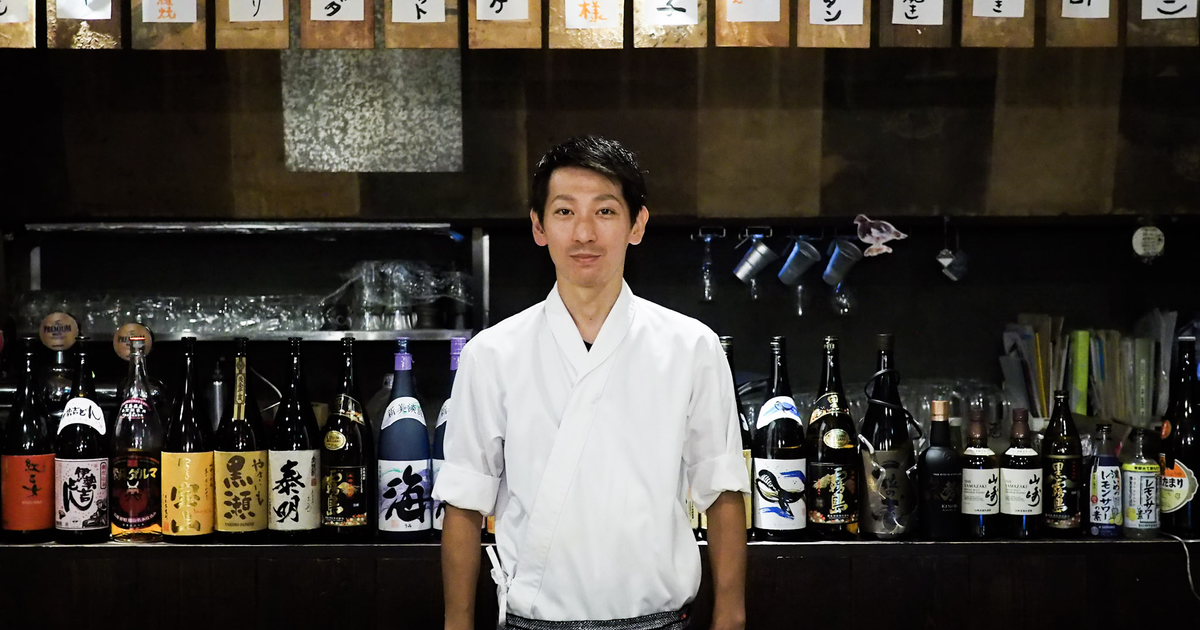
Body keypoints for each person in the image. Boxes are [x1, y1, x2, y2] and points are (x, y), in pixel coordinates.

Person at [434, 135, 750, 630]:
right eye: (564, 212)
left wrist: (731, 618)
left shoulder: (692, 347)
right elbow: (463, 503)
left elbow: (722, 490)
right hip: (532, 622)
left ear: (637, 224)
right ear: (539, 226)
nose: (584, 233)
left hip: (660, 620)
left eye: (605, 211)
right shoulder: (492, 354)